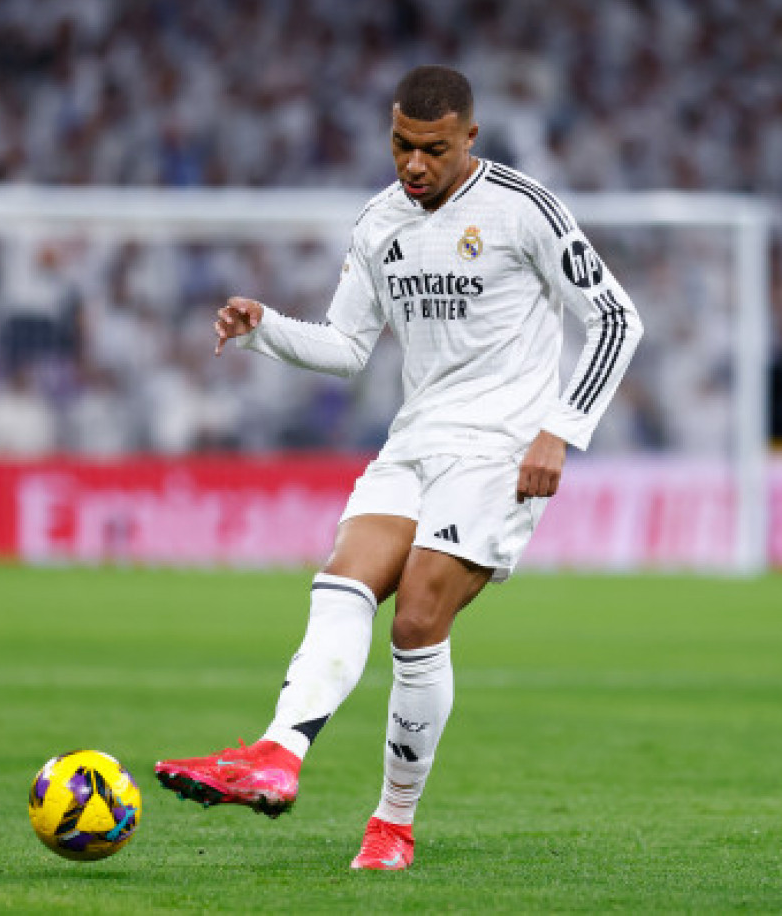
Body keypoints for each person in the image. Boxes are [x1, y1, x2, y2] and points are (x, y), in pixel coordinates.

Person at [154, 66, 643, 870]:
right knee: (344, 580)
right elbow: (347, 346)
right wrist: (263, 326)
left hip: (497, 450)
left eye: (433, 150)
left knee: (416, 617)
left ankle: (392, 822)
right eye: (401, 145)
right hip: (413, 442)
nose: (413, 165)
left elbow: (617, 318)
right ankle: (276, 755)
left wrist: (562, 428)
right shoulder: (380, 222)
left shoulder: (523, 209)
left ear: (469, 140)